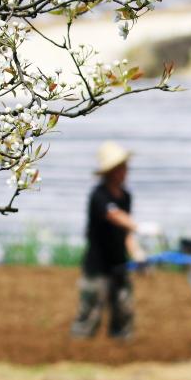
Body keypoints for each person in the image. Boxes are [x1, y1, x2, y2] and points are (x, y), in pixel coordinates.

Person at [70, 141, 147, 340]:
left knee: (124, 309)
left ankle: (121, 353)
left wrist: (136, 252)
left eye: (125, 167)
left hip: (119, 263)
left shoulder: (126, 197)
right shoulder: (99, 196)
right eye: (121, 167)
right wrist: (139, 226)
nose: (125, 171)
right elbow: (114, 216)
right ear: (111, 171)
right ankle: (79, 349)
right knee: (91, 312)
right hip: (97, 266)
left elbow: (125, 231)